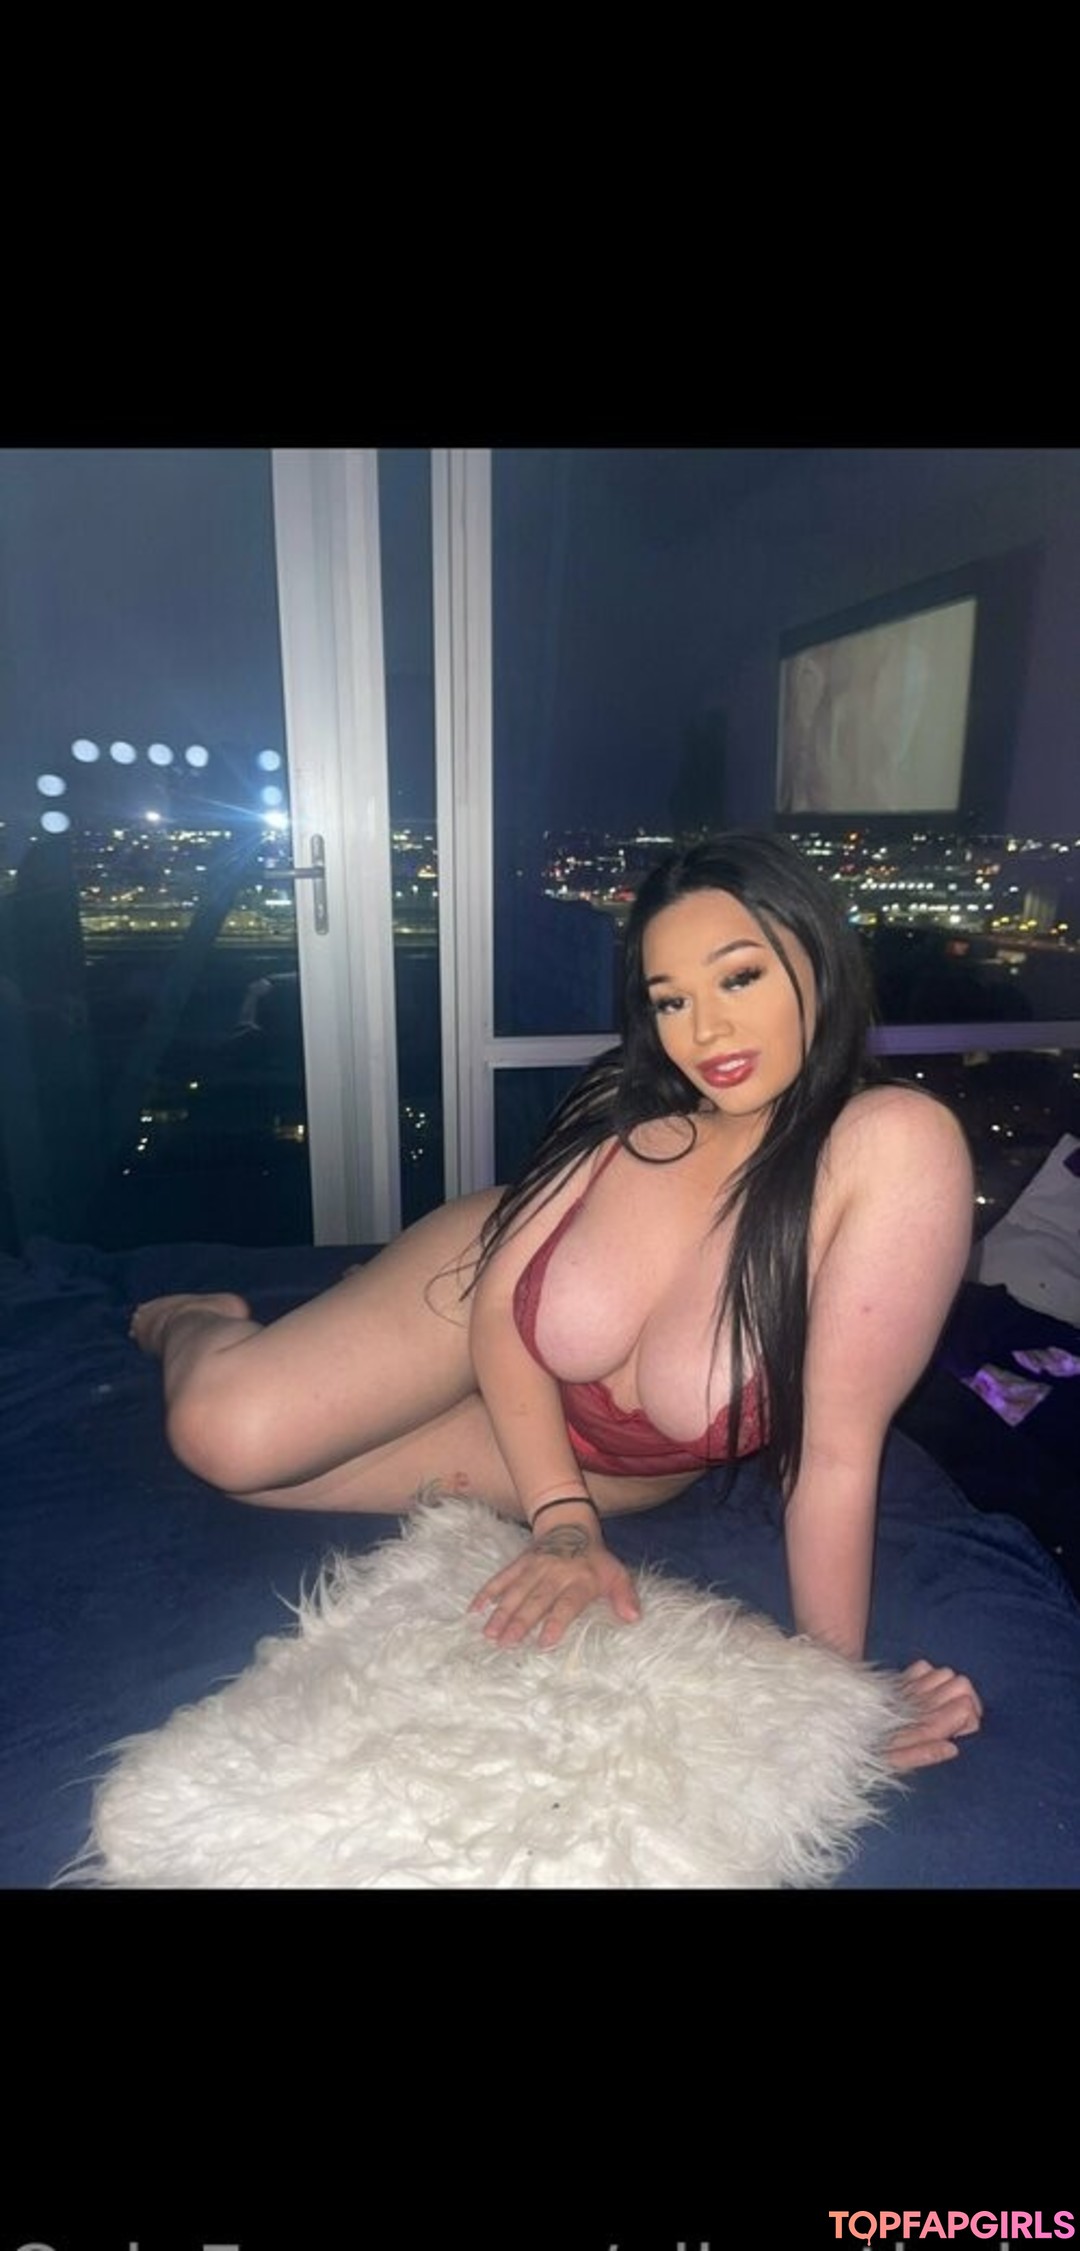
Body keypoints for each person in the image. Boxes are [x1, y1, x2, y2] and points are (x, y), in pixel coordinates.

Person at [131, 830, 983, 1775]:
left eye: (738, 978)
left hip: (611, 1454)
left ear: (819, 960)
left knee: (263, 1482)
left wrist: (832, 1692)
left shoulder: (892, 1143)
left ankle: (356, 1337)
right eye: (670, 999)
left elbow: (833, 1455)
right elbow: (503, 1313)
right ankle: (195, 1317)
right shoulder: (635, 1108)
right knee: (223, 1432)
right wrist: (563, 1522)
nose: (703, 1031)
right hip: (476, 1293)